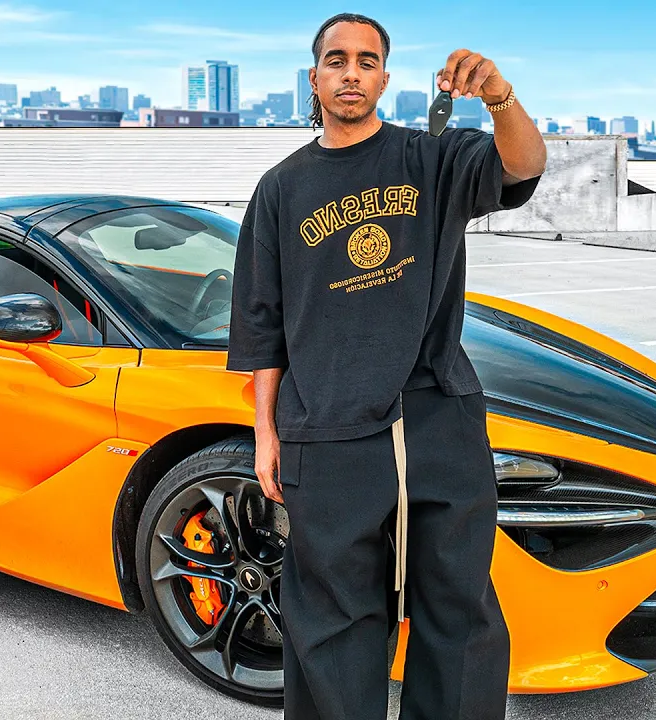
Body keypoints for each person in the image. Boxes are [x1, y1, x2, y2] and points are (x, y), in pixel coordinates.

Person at [225, 12, 547, 720]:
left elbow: (523, 165)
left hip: (437, 414)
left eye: (366, 61)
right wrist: (265, 433)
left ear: (384, 78)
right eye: (337, 60)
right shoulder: (281, 188)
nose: (352, 73)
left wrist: (500, 96)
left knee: (459, 612)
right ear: (314, 78)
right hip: (325, 428)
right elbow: (262, 324)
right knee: (331, 622)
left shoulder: (431, 158)